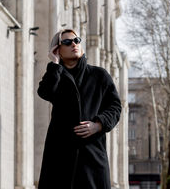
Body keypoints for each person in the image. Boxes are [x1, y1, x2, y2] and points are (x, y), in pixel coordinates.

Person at [37, 29, 122, 189]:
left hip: (92, 155)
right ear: (58, 49)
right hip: (60, 155)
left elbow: (115, 107)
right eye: (67, 42)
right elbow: (45, 92)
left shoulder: (99, 75)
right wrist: (54, 64)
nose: (74, 44)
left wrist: (98, 124)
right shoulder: (56, 76)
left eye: (77, 40)